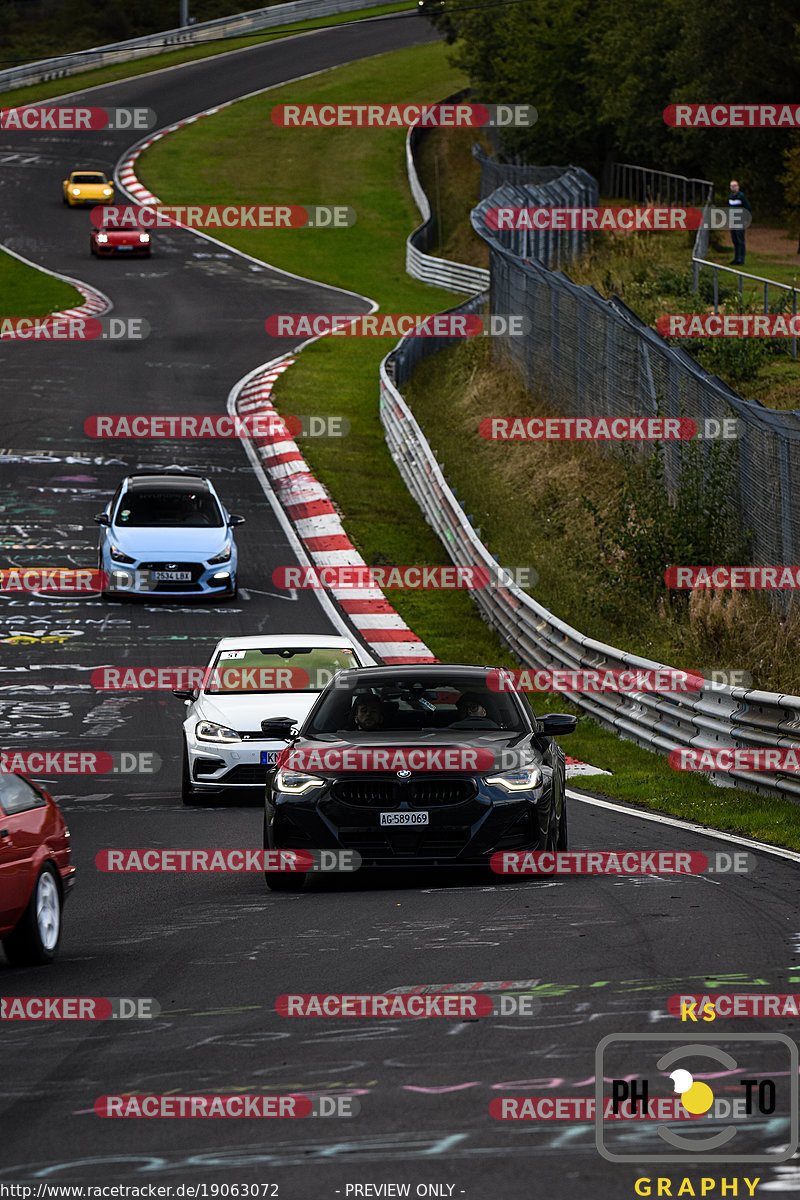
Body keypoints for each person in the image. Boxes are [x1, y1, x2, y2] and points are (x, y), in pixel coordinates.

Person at [728, 180, 751, 265]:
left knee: (740, 240)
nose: (733, 187)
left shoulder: (741, 196)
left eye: (735, 186)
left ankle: (741, 259)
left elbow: (747, 208)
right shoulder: (731, 197)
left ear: (738, 187)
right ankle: (736, 257)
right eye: (732, 186)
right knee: (735, 240)